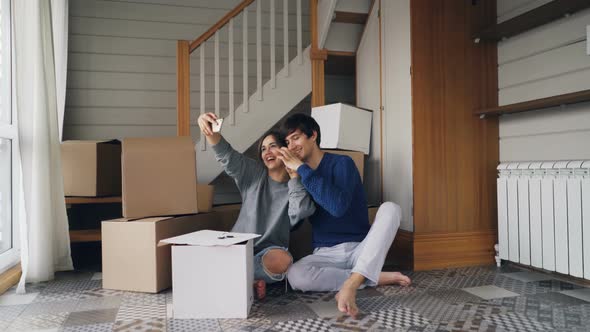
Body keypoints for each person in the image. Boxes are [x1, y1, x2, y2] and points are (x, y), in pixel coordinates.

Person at [275, 113, 411, 317]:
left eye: (296, 138)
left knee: (391, 209)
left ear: (313, 135)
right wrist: (295, 180)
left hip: (360, 247)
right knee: (295, 275)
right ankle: (370, 276)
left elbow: (337, 207)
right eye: (287, 142)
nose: (291, 146)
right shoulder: (300, 175)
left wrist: (302, 169)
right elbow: (295, 222)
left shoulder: (342, 164)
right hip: (326, 253)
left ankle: (352, 283)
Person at [197, 112, 316, 298]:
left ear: (286, 150)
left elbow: (299, 213)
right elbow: (226, 155)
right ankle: (245, 281)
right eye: (263, 149)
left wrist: (294, 178)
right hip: (237, 247)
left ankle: (234, 279)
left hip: (268, 254)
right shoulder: (253, 175)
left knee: (283, 260)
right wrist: (209, 129)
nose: (267, 152)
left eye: (273, 146)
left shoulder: (298, 184)